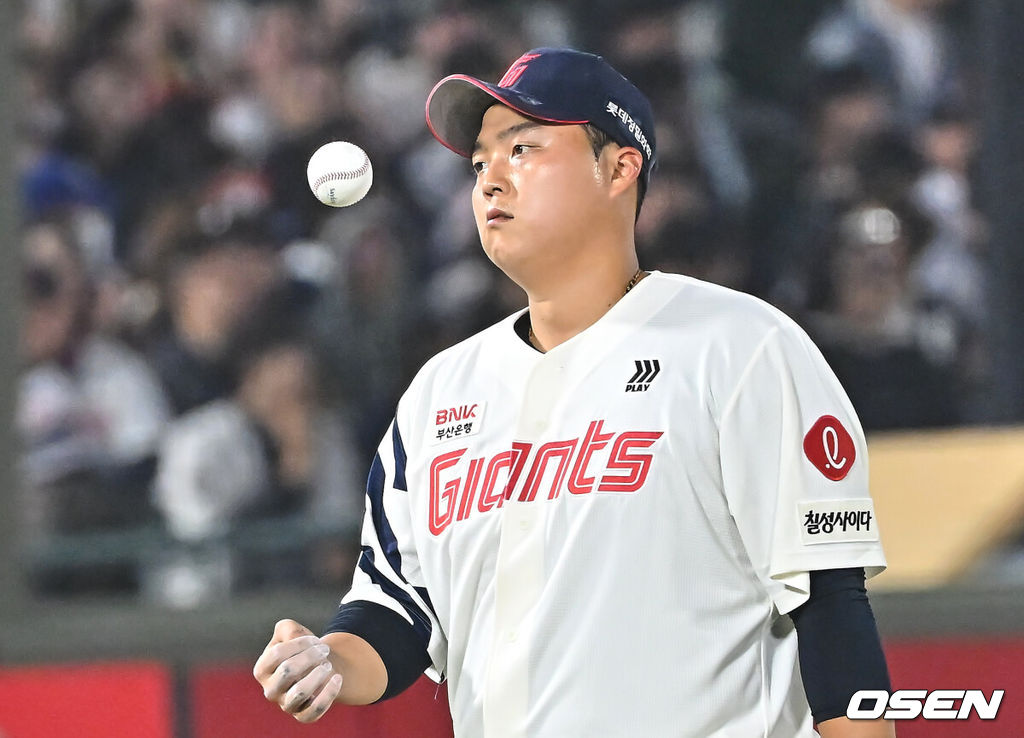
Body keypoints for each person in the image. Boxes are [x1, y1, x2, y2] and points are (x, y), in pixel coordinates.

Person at [254, 47, 895, 738]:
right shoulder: (440, 392)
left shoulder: (741, 347)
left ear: (619, 168)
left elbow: (830, 607)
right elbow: (398, 612)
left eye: (522, 148)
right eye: (478, 164)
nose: (491, 180)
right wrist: (327, 660)